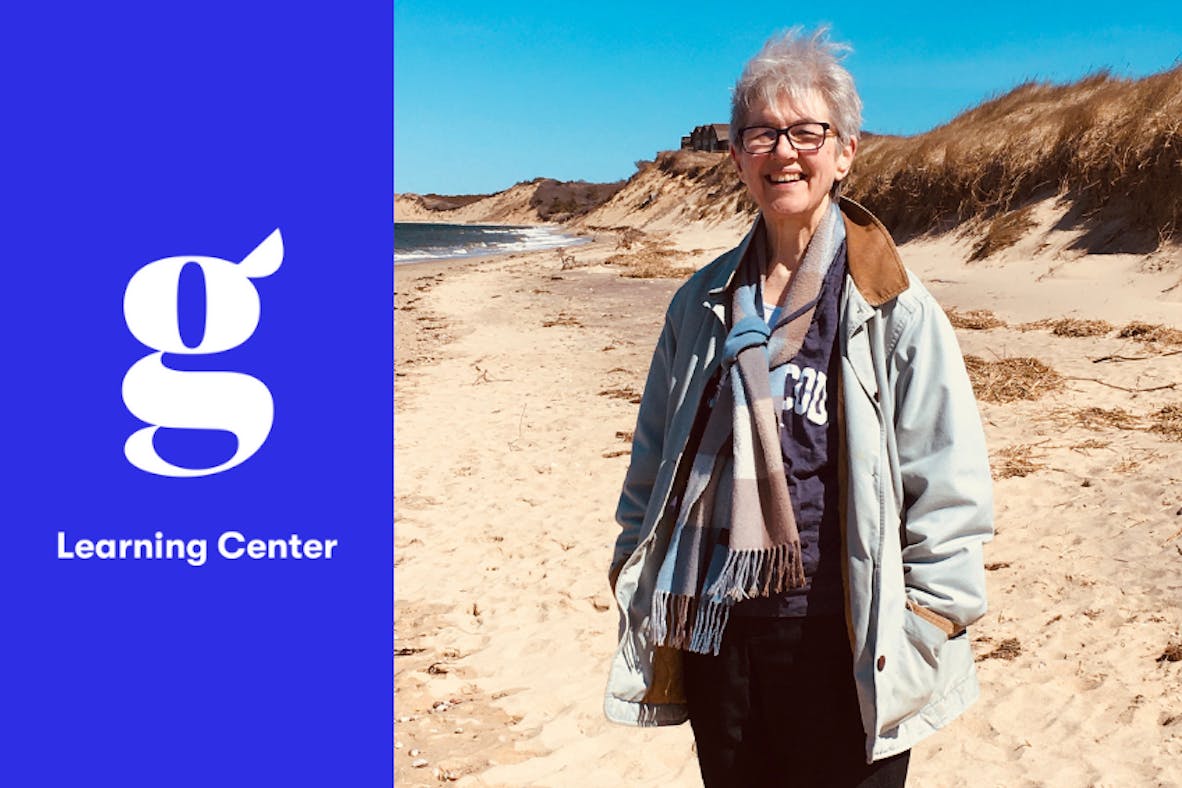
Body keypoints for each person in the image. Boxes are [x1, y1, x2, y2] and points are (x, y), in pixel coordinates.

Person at [604, 27, 993, 787]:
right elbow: (651, 461)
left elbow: (949, 482)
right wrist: (631, 563)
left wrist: (929, 621)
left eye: (807, 132)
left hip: (851, 641)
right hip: (719, 636)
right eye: (761, 133)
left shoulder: (894, 306)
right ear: (737, 157)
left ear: (844, 152)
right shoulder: (700, 304)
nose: (783, 152)